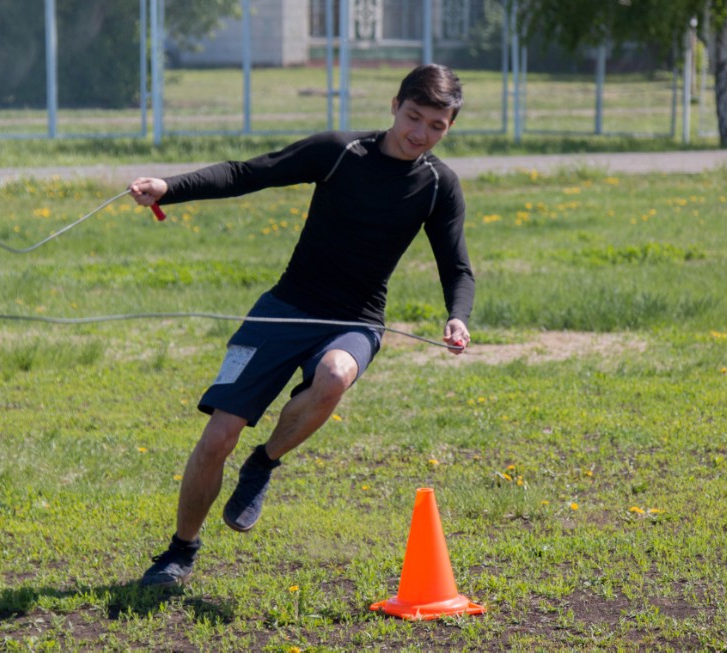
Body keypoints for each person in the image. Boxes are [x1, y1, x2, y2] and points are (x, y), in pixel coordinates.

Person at [128, 63, 474, 587]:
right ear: (394, 105)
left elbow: (457, 265)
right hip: (284, 306)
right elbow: (250, 172)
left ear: (448, 128)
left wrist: (457, 316)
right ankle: (180, 551)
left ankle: (264, 463)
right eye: (414, 116)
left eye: (436, 126)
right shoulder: (340, 152)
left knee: (335, 375)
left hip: (356, 319)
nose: (419, 134)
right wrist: (168, 187)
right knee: (219, 434)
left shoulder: (437, 186)